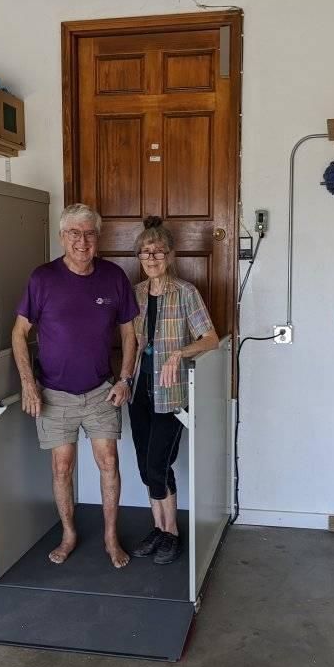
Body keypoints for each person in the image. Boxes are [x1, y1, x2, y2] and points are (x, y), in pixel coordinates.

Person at [12, 203, 139, 569]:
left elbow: (130, 333)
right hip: (54, 394)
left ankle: (110, 536)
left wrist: (125, 379)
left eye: (89, 234)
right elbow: (19, 334)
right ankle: (69, 534)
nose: (82, 241)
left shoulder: (114, 277)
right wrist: (29, 385)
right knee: (61, 468)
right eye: (74, 233)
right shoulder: (43, 278)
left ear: (98, 238)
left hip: (101, 391)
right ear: (62, 237)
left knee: (109, 462)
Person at [128, 216, 219, 565]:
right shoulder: (135, 294)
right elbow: (132, 344)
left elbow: (209, 339)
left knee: (158, 464)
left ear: (170, 255)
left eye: (159, 252)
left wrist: (178, 353)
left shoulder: (185, 293)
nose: (152, 258)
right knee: (144, 465)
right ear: (139, 256)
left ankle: (172, 533)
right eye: (145, 252)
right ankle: (158, 527)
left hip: (172, 394)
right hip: (140, 391)